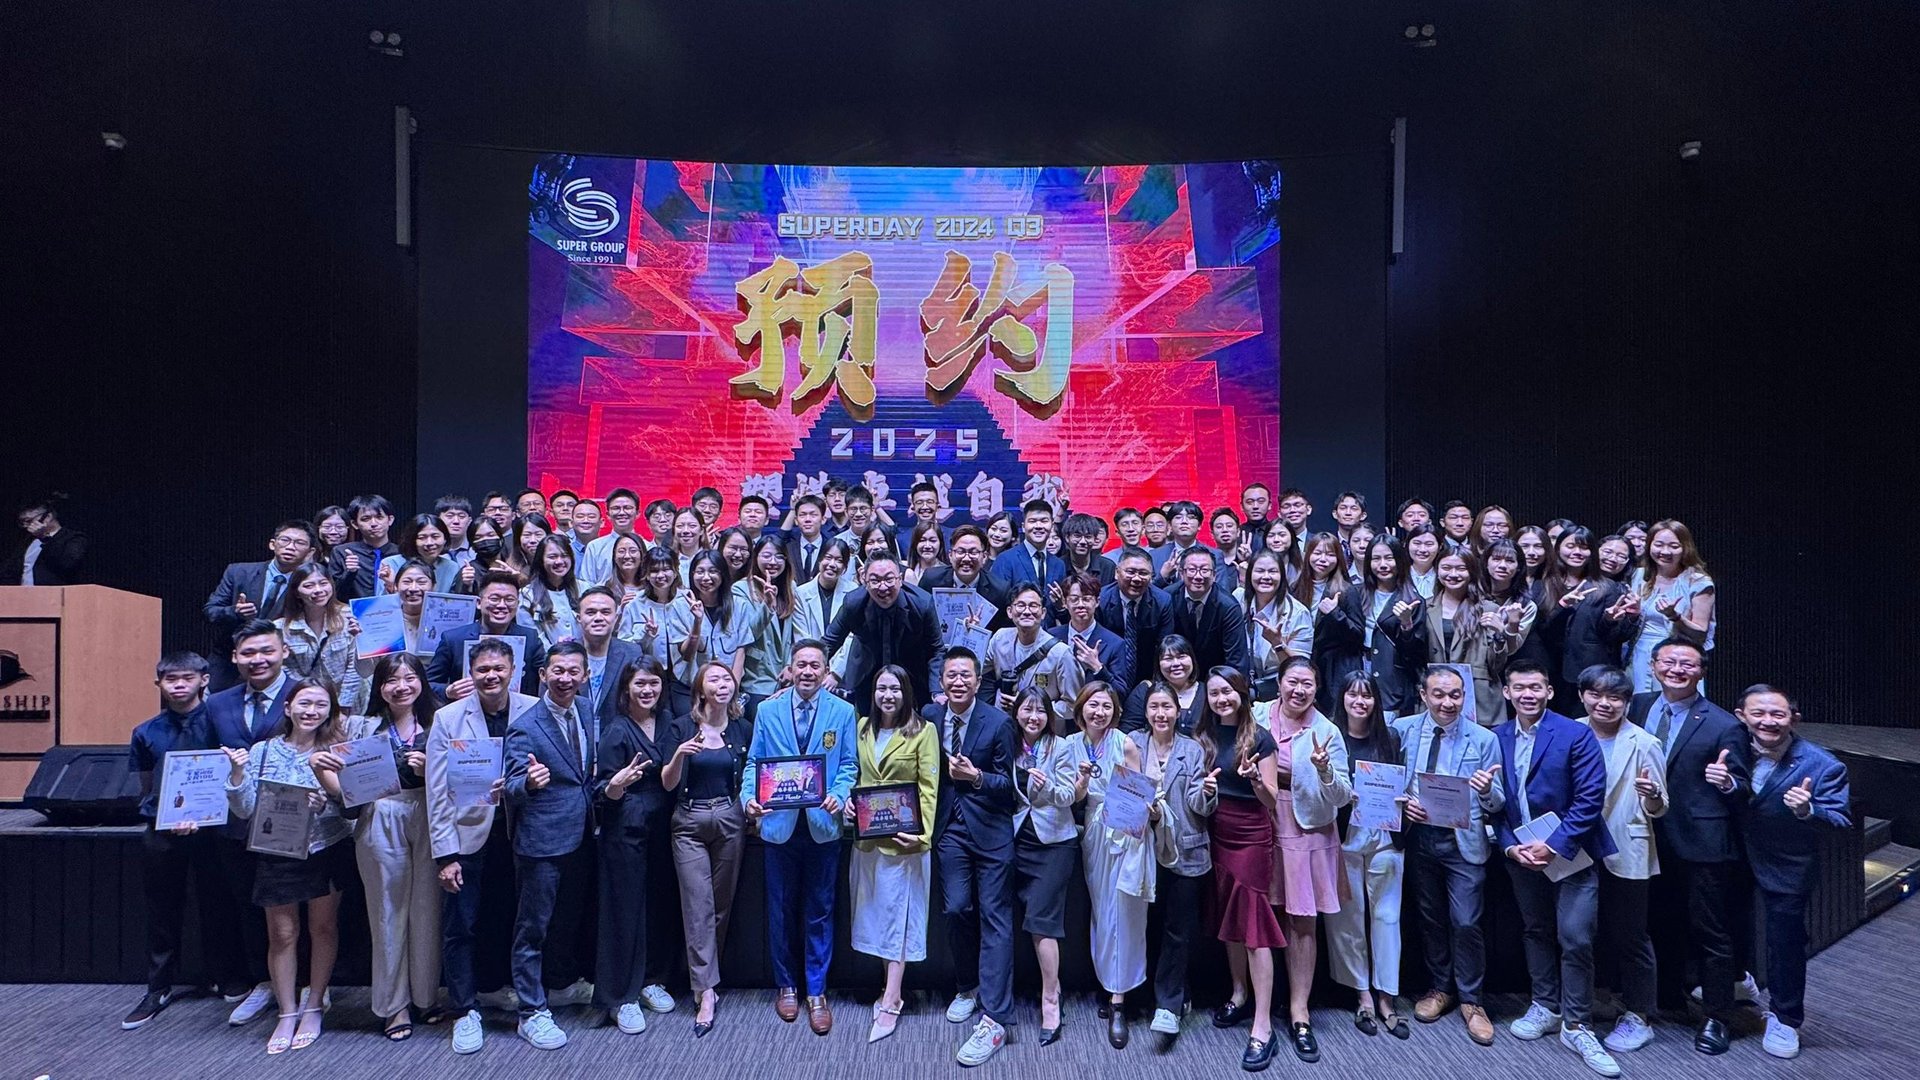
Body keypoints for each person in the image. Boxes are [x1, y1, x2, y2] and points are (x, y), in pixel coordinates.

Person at [1491, 660, 1620, 1077]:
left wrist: (1553, 846)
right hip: (1521, 855)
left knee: (1576, 937)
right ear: (1506, 693)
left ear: (1549, 692)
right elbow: (1495, 805)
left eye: (1536, 687)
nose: (1527, 694)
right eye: (1519, 688)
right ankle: (1545, 1005)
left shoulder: (1575, 734)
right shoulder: (1496, 738)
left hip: (1571, 855)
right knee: (1535, 930)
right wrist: (1511, 849)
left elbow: (1589, 800)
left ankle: (1578, 1023)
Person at [1627, 637, 1752, 1053]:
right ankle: (1667, 999)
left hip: (1700, 841)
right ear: (1654, 666)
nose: (1677, 670)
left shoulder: (1722, 724)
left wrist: (1730, 782)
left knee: (1711, 931)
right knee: (1657, 921)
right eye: (1669, 662)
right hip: (1646, 836)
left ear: (1700, 672)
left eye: (1687, 664)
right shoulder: (1638, 706)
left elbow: (1742, 788)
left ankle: (1718, 1016)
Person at [224, 677, 353, 1054]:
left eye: (320, 705)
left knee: (323, 928)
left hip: (326, 848)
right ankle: (286, 1012)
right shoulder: (263, 751)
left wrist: (324, 805)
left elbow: (354, 811)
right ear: (288, 707)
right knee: (282, 935)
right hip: (276, 852)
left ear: (331, 711)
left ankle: (314, 1006)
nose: (311, 711)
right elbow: (245, 809)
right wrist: (235, 775)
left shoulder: (338, 751)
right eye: (304, 704)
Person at [320, 653, 441, 1041]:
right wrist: (324, 775)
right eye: (392, 680)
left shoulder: (441, 721)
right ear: (380, 687)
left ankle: (426, 997)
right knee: (387, 913)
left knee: (427, 910)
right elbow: (349, 789)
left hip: (428, 815)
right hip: (379, 814)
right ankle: (394, 1006)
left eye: (409, 678)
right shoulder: (363, 726)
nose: (401, 686)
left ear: (421, 682)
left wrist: (432, 770)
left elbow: (461, 779)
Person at [122, 652, 246, 1029]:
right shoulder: (146, 732)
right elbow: (145, 788)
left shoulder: (221, 724)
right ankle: (158, 987)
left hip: (215, 829)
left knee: (219, 903)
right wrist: (166, 816)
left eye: (186, 678)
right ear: (158, 684)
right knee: (162, 909)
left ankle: (224, 976)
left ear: (204, 680)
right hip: (163, 832)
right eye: (170, 679)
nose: (178, 685)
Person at [741, 641, 859, 1034]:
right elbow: (755, 763)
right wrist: (749, 799)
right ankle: (787, 986)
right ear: (789, 669)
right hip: (778, 825)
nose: (808, 671)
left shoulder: (842, 711)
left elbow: (847, 764)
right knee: (780, 909)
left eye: (815, 665)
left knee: (820, 911)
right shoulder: (768, 710)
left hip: (823, 825)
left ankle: (817, 992)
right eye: (801, 665)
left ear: (826, 671)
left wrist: (839, 794)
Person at [425, 637, 534, 1055]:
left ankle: (511, 995)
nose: (491, 676)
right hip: (467, 835)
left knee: (513, 919)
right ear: (470, 673)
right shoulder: (449, 718)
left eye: (499, 669)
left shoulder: (530, 708)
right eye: (482, 669)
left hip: (520, 833)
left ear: (512, 671)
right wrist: (446, 854)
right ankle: (464, 1009)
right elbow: (436, 792)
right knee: (461, 925)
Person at [1734, 684, 1851, 1060]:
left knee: (1784, 944)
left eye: (1778, 715)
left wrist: (1807, 811)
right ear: (1742, 717)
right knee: (1725, 926)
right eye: (1759, 714)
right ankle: (1739, 983)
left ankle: (1785, 1018)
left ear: (1793, 719)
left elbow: (1840, 821)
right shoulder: (1731, 748)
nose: (1768, 721)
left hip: (1787, 864)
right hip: (1734, 856)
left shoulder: (1823, 764)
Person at [1391, 665, 1505, 1047]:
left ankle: (1472, 1001)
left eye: (1455, 695)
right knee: (1430, 918)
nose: (1448, 702)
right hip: (1420, 836)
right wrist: (1404, 805)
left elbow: (1497, 800)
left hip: (1464, 840)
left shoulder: (1484, 738)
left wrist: (1487, 790)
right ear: (1423, 695)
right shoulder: (1403, 730)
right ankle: (1440, 989)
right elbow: (1391, 782)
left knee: (1466, 921)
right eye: (1439, 694)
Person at [503, 643, 601, 1050]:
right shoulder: (526, 725)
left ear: (584, 676)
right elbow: (508, 786)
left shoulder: (584, 712)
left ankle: (558, 986)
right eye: (558, 671)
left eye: (573, 672)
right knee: (532, 929)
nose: (565, 679)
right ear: (543, 675)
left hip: (580, 836)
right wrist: (527, 783)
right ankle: (530, 1011)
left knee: (566, 922)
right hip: (541, 841)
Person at [925, 647, 1019, 1067]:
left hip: (992, 830)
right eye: (951, 676)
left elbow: (1009, 788)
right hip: (949, 829)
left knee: (996, 919)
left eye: (966, 675)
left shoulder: (998, 722)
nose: (958, 682)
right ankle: (967, 986)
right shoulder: (930, 717)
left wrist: (976, 777)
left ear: (979, 682)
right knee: (957, 907)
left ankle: (995, 1017)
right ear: (942, 681)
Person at [1254, 658, 1350, 1061]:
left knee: (1302, 920)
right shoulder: (1257, 715)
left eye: (1307, 684)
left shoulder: (1326, 730)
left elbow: (1344, 795)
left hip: (1307, 826)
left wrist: (1325, 772)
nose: (1299, 690)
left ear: (1316, 688)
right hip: (1259, 819)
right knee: (1260, 915)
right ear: (1278, 683)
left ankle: (1299, 1011)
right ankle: (1257, 1005)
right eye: (1292, 682)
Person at [206, 619, 297, 1026]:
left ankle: (310, 985)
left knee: (301, 909)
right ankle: (263, 983)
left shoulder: (306, 695)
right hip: (236, 823)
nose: (258, 660)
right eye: (248, 653)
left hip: (294, 823)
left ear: (284, 651)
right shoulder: (217, 703)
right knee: (248, 907)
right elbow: (203, 763)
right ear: (234, 658)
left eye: (266, 651)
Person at [1194, 666, 1284, 1072]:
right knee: (1229, 918)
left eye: (1228, 692)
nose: (1221, 699)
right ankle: (1238, 993)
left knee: (1253, 926)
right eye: (1214, 693)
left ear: (1242, 694)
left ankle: (1263, 1024)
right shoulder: (1203, 737)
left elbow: (1271, 801)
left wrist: (1254, 782)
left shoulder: (1259, 738)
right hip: (1214, 830)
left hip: (1250, 834)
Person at [1574, 664, 1667, 1056]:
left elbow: (1661, 806)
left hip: (1626, 847)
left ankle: (1639, 1016)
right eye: (1596, 694)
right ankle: (1597, 1000)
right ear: (1583, 696)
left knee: (1631, 935)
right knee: (1581, 930)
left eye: (1615, 697)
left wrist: (1651, 795)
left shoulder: (1645, 742)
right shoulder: (1570, 731)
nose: (1605, 703)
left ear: (1628, 702)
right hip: (1577, 847)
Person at [591, 657, 680, 1035]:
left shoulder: (670, 725)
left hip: (663, 828)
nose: (648, 690)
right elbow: (603, 792)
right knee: (624, 914)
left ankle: (650, 981)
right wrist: (618, 784)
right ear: (627, 688)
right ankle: (619, 999)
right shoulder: (617, 730)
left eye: (654, 683)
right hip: (625, 832)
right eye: (641, 684)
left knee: (658, 906)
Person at [851, 665, 940, 1043]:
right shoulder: (861, 728)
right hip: (868, 841)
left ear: (907, 692)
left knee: (899, 919)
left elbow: (929, 787)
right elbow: (854, 777)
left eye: (895, 689)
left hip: (904, 842)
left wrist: (922, 836)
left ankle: (892, 997)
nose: (888, 695)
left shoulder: (923, 731)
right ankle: (888, 988)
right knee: (875, 916)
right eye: (881, 688)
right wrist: (848, 806)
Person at [663, 662, 752, 1038]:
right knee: (697, 905)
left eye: (727, 679)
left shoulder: (742, 728)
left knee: (720, 905)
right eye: (713, 679)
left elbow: (751, 774)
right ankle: (706, 993)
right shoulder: (680, 727)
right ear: (700, 688)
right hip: (689, 822)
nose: (722, 684)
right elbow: (667, 784)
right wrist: (680, 755)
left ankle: (705, 976)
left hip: (730, 818)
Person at [1066, 682, 1155, 1050]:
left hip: (1125, 833)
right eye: (1092, 705)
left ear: (1115, 710)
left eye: (1105, 705)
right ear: (1081, 708)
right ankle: (1110, 984)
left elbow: (1137, 793)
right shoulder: (1070, 745)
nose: (1098, 712)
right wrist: (1082, 784)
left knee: (1125, 912)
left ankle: (1120, 1000)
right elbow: (1070, 797)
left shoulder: (1125, 743)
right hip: (1093, 833)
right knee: (1103, 913)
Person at [1322, 671, 1408, 1040]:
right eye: (1353, 695)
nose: (1360, 702)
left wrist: (1404, 801)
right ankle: (1362, 996)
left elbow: (1405, 783)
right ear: (1342, 699)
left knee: (1387, 919)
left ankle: (1387, 996)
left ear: (1376, 701)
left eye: (1367, 696)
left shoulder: (1390, 738)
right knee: (1348, 922)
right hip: (1344, 840)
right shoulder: (1331, 738)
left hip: (1386, 839)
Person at [1127, 681, 1212, 1049]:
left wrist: (1208, 793)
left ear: (1179, 712)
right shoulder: (1132, 742)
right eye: (1154, 707)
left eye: (1168, 707)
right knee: (1145, 925)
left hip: (1185, 850)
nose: (1161, 714)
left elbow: (1198, 806)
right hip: (1142, 848)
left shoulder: (1192, 749)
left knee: (1177, 930)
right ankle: (1148, 993)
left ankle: (1168, 1005)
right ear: (1146, 712)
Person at [1003, 686, 1078, 1045]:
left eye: (1040, 711)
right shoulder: (1008, 744)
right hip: (1016, 839)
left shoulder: (1060, 748)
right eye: (1027, 710)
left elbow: (1067, 797)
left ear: (1049, 716)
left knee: (1040, 920)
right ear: (1016, 712)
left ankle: (1051, 996)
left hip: (1054, 842)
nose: (1033, 717)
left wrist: (1046, 786)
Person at [1386, 548, 1519, 725]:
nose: (1453, 574)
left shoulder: (1488, 609)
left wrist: (1500, 634)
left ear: (1471, 571)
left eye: (1461, 568)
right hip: (1435, 697)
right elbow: (1411, 657)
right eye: (1446, 567)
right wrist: (1406, 624)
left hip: (1480, 700)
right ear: (1437, 570)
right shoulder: (1424, 607)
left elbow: (1496, 666)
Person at [1316, 534, 1425, 719]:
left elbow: (1416, 655)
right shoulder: (1354, 592)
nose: (1383, 565)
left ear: (1400, 559)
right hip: (1352, 675)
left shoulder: (1413, 599)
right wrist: (1335, 614)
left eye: (1389, 558)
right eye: (1376, 558)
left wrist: (1406, 624)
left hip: (1391, 685)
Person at [820, 553, 945, 713]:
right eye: (875, 580)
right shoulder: (853, 603)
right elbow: (829, 642)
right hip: (866, 674)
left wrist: (937, 690)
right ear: (865, 581)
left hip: (912, 674)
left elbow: (936, 649)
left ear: (900, 579)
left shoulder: (922, 604)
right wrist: (811, 669)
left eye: (889, 579)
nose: (883, 586)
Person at [204, 520, 318, 689]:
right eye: (285, 540)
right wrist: (235, 612)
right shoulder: (238, 572)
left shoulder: (309, 585)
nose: (291, 547)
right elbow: (210, 611)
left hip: (276, 665)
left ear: (310, 552)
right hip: (228, 660)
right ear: (273, 544)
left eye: (299, 543)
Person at [426, 570, 549, 700]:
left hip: (518, 715)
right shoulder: (453, 639)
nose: (502, 605)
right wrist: (448, 691)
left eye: (509, 599)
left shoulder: (530, 638)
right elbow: (428, 684)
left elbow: (546, 675)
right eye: (494, 599)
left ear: (517, 604)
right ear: (479, 603)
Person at [1624, 519, 1716, 692]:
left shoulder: (1698, 581)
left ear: (1685, 548)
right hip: (1640, 654)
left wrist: (1675, 616)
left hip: (1676, 657)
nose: (1665, 551)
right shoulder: (1639, 576)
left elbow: (1700, 633)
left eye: (1674, 546)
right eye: (1658, 545)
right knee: (1641, 709)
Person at [272, 560, 364, 713]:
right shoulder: (281, 628)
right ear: (296, 592)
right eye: (308, 586)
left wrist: (343, 706)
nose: (318, 590)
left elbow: (355, 666)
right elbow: (287, 671)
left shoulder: (350, 615)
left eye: (323, 583)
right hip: (308, 706)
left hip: (350, 703)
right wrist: (311, 701)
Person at [985, 582, 1079, 729]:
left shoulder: (1060, 653)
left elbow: (1074, 705)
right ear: (1010, 611)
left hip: (1043, 732)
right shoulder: (1000, 638)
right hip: (1003, 728)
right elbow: (973, 669)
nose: (1027, 611)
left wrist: (1032, 709)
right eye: (1021, 605)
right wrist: (971, 634)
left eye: (1033, 606)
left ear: (1043, 613)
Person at [665, 550, 752, 700]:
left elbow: (741, 650)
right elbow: (687, 655)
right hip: (689, 686)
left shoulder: (739, 605)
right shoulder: (679, 606)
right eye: (700, 572)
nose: (706, 577)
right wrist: (697, 622)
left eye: (713, 571)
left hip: (727, 686)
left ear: (723, 574)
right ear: (692, 575)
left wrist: (733, 689)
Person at [733, 534, 800, 722]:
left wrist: (791, 666)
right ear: (756, 558)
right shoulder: (740, 589)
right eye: (767, 555)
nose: (773, 562)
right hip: (757, 680)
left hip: (788, 680)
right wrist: (767, 606)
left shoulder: (791, 588)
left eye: (779, 556)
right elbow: (747, 633)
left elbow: (797, 633)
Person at [1242, 549, 1312, 703]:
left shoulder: (1298, 613)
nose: (1266, 577)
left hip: (1280, 692)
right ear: (1249, 574)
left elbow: (1302, 667)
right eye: (1260, 571)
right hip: (1243, 689)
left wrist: (1278, 644)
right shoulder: (1238, 600)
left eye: (1272, 571)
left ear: (1282, 576)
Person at [919, 525, 1015, 634]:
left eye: (973, 552)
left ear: (984, 557)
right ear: (950, 555)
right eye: (960, 552)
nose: (966, 558)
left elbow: (1003, 635)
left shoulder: (1000, 590)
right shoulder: (930, 580)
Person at [1097, 546, 1174, 681]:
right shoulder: (1101, 600)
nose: (1137, 578)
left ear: (1151, 576)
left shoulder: (1162, 601)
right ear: (1116, 573)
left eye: (1143, 573)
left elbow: (1163, 646)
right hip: (1107, 670)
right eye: (1131, 572)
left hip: (1147, 671)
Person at [1170, 546, 1249, 675]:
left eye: (1205, 570)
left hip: (1216, 677)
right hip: (1176, 674)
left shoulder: (1228, 606)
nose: (1198, 576)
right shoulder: (1169, 598)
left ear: (1214, 575)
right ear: (1181, 573)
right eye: (1192, 570)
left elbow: (1236, 660)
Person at [793, 539, 860, 690]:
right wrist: (816, 667)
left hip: (843, 672)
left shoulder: (854, 591)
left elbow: (851, 637)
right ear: (820, 560)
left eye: (839, 560)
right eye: (828, 558)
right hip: (809, 670)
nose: (832, 564)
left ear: (845, 567)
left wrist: (835, 673)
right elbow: (802, 635)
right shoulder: (801, 592)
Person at [574, 587, 643, 730]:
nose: (598, 618)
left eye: (605, 612)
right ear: (579, 618)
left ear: (616, 618)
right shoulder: (564, 655)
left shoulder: (632, 653)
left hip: (618, 738)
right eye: (590, 612)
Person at [1051, 571, 1132, 691]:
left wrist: (1097, 667)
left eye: (1086, 599)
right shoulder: (1051, 637)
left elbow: (1121, 692)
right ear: (1065, 603)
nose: (1080, 605)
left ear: (1097, 602)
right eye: (1074, 599)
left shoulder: (1115, 643)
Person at [1120, 634, 1207, 734]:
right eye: (1168, 658)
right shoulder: (1145, 691)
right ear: (1158, 663)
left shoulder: (1207, 692)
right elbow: (1126, 734)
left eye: (1181, 657)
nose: (1176, 664)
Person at [4, 493, 87, 585]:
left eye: (28, 521)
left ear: (47, 517)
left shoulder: (73, 538)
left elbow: (67, 564)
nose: (25, 526)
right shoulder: (27, 541)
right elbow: (10, 569)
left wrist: (44, 538)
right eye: (22, 523)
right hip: (22, 595)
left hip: (54, 594)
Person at [326, 494, 398, 599]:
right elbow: (333, 595)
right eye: (366, 519)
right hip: (352, 613)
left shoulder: (402, 553)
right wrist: (350, 572)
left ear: (390, 520)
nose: (373, 523)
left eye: (379, 517)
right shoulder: (342, 552)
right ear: (355, 524)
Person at [990, 499, 1067, 591]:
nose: (1038, 526)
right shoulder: (1005, 559)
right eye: (1032, 521)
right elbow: (996, 600)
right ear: (1023, 527)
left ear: (1052, 525)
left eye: (1044, 521)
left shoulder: (1059, 565)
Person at [519, 535, 581, 648]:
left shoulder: (585, 589)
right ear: (541, 560)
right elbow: (533, 637)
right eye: (552, 557)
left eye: (564, 556)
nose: (559, 561)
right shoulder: (527, 595)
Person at [381, 512, 460, 593]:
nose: (429, 543)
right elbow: (379, 603)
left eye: (435, 536)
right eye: (422, 537)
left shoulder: (452, 568)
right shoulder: (391, 564)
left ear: (445, 539)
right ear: (412, 540)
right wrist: (391, 585)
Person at [581, 489, 642, 585]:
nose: (622, 513)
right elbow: (586, 584)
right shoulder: (595, 547)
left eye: (627, 507)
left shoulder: (648, 547)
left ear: (638, 513)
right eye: (616, 508)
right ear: (608, 514)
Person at [1151, 501, 1221, 583]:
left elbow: (1223, 591)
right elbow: (1147, 593)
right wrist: (1162, 577)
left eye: (1191, 517)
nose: (1184, 521)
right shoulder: (1154, 555)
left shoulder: (1216, 555)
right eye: (1178, 517)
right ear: (1169, 525)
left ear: (1199, 525)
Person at [784, 494, 831, 581]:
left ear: (823, 519)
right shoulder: (788, 546)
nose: (807, 519)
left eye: (813, 515)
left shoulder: (831, 546)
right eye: (802, 515)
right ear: (796, 520)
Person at [906, 521, 950, 586]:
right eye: (922, 540)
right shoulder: (906, 570)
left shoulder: (948, 574)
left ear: (940, 543)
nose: (927, 546)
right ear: (915, 544)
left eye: (933, 541)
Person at [565, 499, 602, 570]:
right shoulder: (564, 551)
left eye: (591, 516)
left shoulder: (610, 550)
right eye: (580, 516)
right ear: (571, 523)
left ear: (601, 522)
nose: (586, 520)